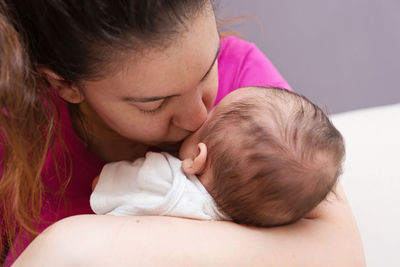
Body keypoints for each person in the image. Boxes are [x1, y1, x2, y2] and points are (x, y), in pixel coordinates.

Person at [0, 0, 364, 266]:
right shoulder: (18, 131)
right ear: (65, 86)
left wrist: (70, 248)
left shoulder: (250, 99)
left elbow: (342, 253)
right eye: (154, 103)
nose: (199, 116)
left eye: (208, 69)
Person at [90, 87, 345, 227]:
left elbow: (100, 186)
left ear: (198, 158)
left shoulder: (163, 179)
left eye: (211, 116)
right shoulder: (244, 230)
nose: (201, 113)